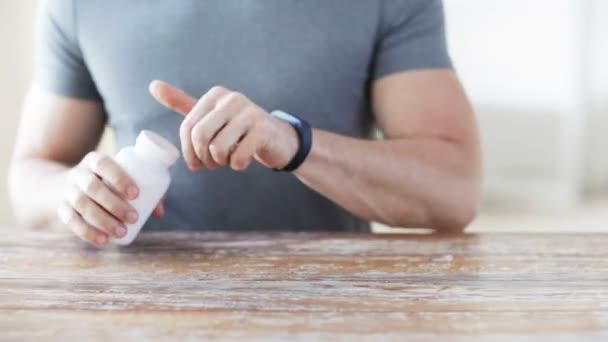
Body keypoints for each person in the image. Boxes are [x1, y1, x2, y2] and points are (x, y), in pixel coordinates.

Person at [9, 0, 481, 247]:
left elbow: (453, 190)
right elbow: (31, 176)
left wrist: (295, 143)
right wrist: (73, 194)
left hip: (331, 307)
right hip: (140, 306)